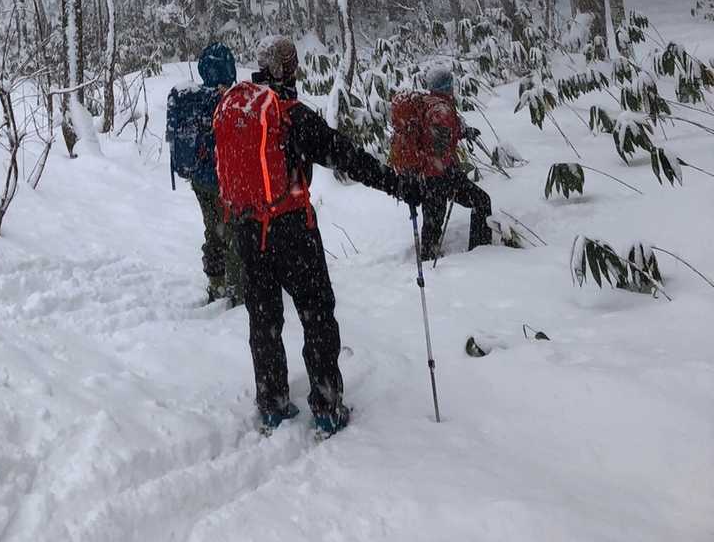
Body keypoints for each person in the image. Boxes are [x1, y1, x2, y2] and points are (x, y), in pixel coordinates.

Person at [214, 36, 418, 437]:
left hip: (246, 228)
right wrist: (397, 184)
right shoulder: (293, 116)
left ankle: (272, 403)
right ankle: (326, 407)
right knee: (317, 313)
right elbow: (347, 157)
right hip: (292, 230)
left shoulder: (238, 108)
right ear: (290, 69)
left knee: (263, 318)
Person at [165, 42, 244, 306]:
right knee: (232, 233)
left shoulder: (193, 98)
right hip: (223, 181)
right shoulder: (226, 101)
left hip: (199, 180)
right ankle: (236, 293)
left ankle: (216, 285)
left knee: (213, 231)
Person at [397, 64, 493, 259]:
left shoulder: (426, 103)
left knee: (432, 223)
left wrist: (462, 132)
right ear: (446, 86)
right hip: (439, 176)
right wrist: (450, 168)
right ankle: (481, 254)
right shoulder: (441, 109)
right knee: (481, 202)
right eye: (451, 83)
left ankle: (429, 257)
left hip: (424, 176)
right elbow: (439, 145)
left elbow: (432, 135)